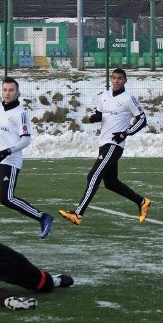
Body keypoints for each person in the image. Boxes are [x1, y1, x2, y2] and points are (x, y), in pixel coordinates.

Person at [59, 68, 151, 225]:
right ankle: (142, 202)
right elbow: (101, 114)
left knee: (93, 176)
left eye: (120, 78)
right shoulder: (104, 96)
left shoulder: (129, 99)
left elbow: (142, 119)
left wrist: (126, 133)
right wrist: (95, 117)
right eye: (114, 78)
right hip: (103, 143)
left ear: (125, 80)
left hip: (114, 145)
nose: (116, 81)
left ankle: (78, 214)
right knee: (111, 183)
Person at [0, 77, 53, 239]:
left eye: (11, 90)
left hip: (9, 163)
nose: (7, 93)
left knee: (6, 198)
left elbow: (26, 140)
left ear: (17, 92)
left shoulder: (21, 114)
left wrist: (8, 151)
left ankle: (43, 217)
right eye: (5, 90)